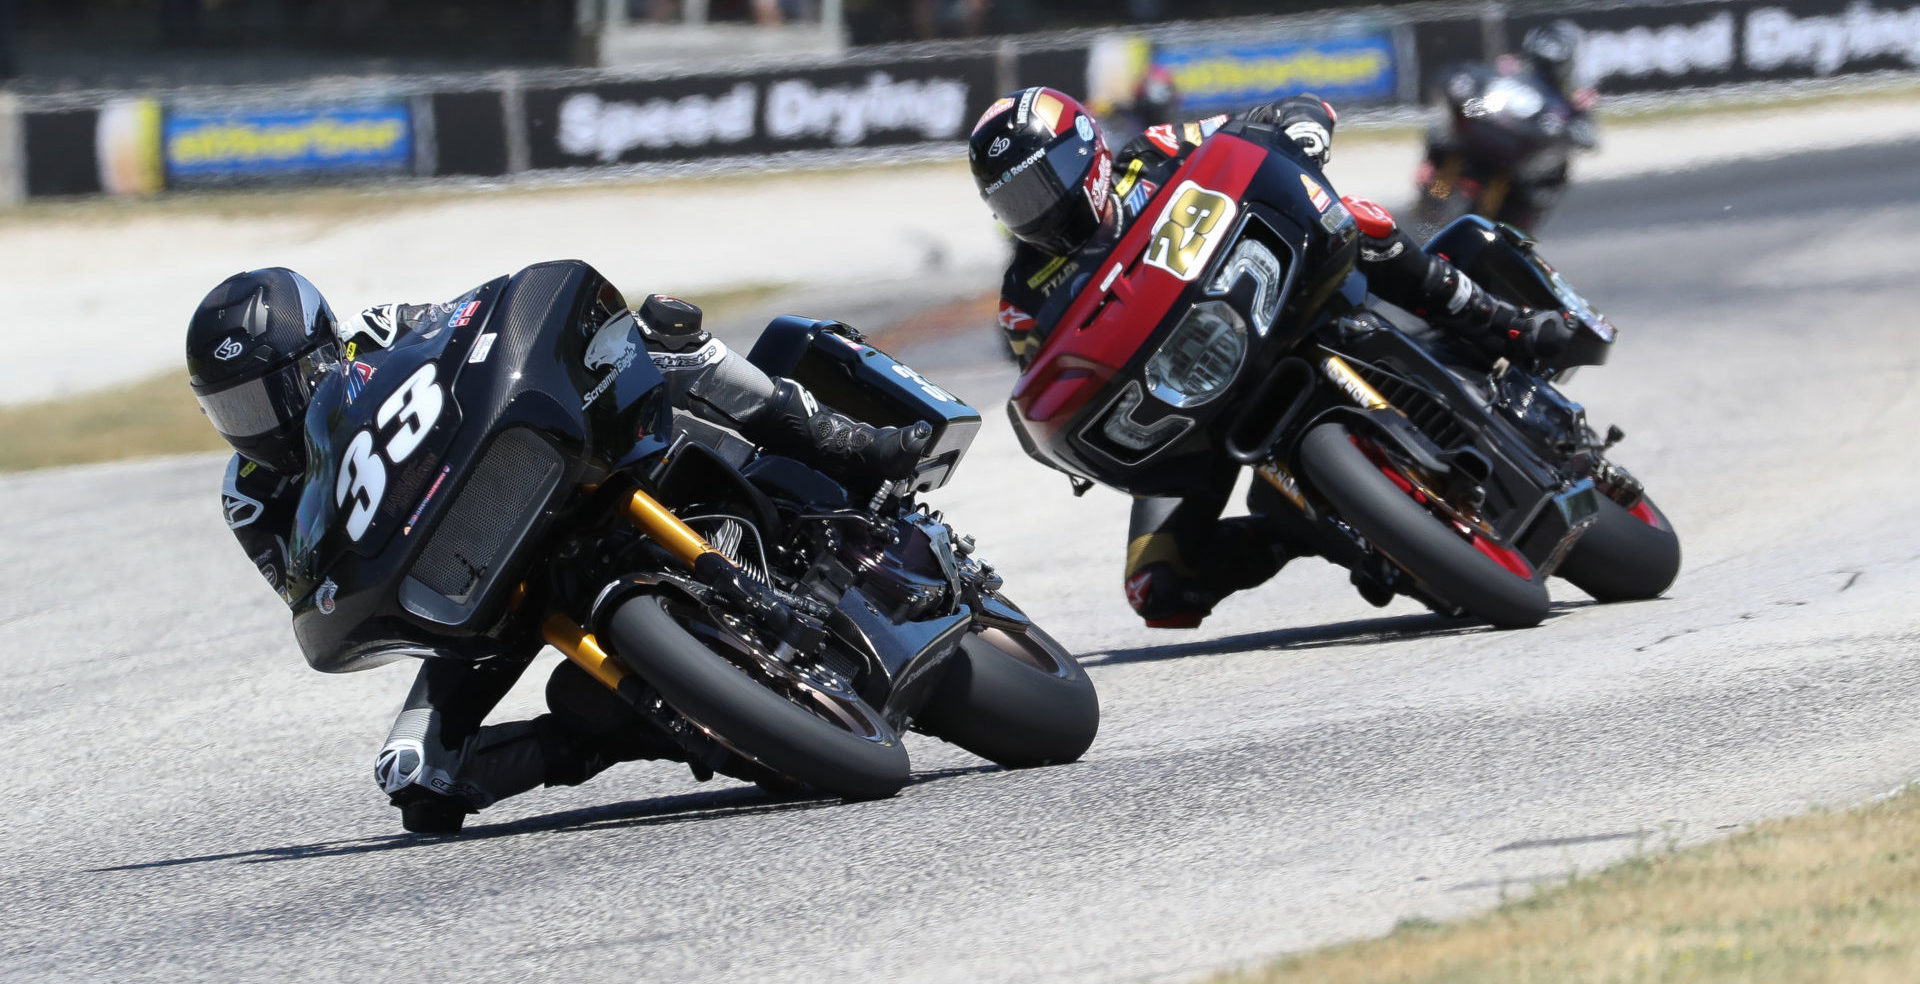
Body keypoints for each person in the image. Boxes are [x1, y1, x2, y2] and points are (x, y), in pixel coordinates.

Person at [185, 268, 930, 833]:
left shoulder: (375, 333)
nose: (260, 422)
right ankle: (667, 718)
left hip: (523, 474)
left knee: (669, 342)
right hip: (465, 581)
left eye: (270, 393)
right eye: (234, 408)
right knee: (418, 783)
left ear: (318, 352)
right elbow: (311, 588)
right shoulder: (248, 494)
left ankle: (850, 444)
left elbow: (478, 334)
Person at [968, 85, 1572, 629]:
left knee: (1363, 218)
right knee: (1157, 587)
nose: (1036, 207)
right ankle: (1308, 528)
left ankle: (1501, 322)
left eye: (1041, 183)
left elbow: (1270, 117)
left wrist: (1302, 132)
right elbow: (1053, 384)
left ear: (1086, 154)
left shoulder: (1151, 154)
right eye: (1015, 199)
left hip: (1287, 298)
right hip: (1192, 408)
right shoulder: (1023, 296)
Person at [1418, 22, 1598, 232]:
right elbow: (1454, 84)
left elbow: (1588, 138)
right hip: (1474, 144)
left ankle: (1512, 232)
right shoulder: (1504, 70)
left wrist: (1566, 128)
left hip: (1515, 161)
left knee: (1552, 174)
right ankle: (1434, 197)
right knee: (1442, 146)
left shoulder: (1564, 101)